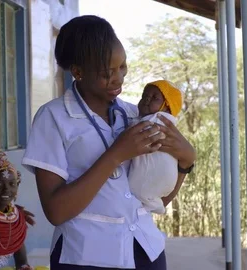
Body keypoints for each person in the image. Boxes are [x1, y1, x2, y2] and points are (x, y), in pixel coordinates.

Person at [22, 15, 196, 270]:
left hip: (145, 251)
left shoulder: (138, 116)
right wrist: (116, 155)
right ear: (78, 72)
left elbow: (155, 199)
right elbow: (56, 212)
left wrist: (185, 162)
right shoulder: (53, 118)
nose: (119, 78)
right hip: (85, 258)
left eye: (123, 66)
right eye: (107, 72)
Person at [128, 80, 184, 214]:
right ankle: (154, 205)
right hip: (167, 181)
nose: (147, 99)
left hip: (151, 178)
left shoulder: (158, 119)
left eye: (155, 97)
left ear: (166, 107)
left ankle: (153, 206)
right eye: (144, 96)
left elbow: (133, 134)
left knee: (136, 188)